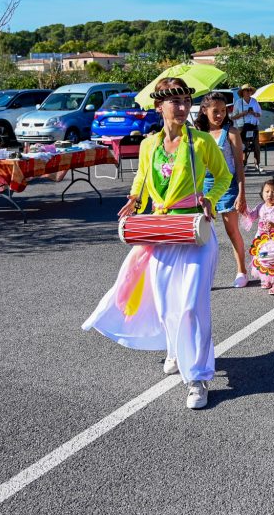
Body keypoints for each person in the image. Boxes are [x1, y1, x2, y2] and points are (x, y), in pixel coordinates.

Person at [83, 77, 232, 410]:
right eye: (174, 102)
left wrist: (210, 197)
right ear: (159, 106)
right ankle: (175, 349)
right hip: (160, 231)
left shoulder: (202, 141)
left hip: (195, 230)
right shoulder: (149, 144)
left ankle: (197, 378)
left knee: (193, 304)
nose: (182, 108)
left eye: (185, 101)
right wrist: (135, 198)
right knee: (166, 304)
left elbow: (224, 175)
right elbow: (143, 177)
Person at [196, 92, 249, 288]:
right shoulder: (198, 134)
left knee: (231, 230)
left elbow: (239, 165)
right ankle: (204, 276)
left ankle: (241, 271)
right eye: (215, 111)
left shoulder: (231, 132)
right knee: (202, 233)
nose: (219, 115)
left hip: (228, 186)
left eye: (223, 111)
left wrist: (241, 193)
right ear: (204, 110)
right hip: (204, 187)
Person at [243, 178, 274, 295]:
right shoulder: (261, 207)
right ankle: (266, 278)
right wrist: (243, 210)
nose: (270, 194)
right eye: (267, 191)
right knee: (263, 259)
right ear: (262, 193)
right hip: (261, 239)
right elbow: (251, 216)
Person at [232, 84, 264, 173]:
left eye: (250, 90)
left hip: (253, 126)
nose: (248, 92)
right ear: (242, 92)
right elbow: (233, 117)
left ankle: (257, 164)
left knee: (256, 146)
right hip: (242, 127)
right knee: (244, 147)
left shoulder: (254, 101)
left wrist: (253, 113)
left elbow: (260, 114)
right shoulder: (238, 102)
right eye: (246, 90)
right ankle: (244, 164)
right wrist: (242, 114)